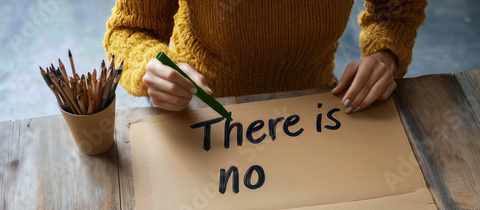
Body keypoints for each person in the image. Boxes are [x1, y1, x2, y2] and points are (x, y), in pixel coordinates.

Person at [103, 0, 427, 113]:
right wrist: (149, 65)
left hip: (311, 113)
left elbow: (397, 9)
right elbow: (127, 31)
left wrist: (385, 55)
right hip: (196, 112)